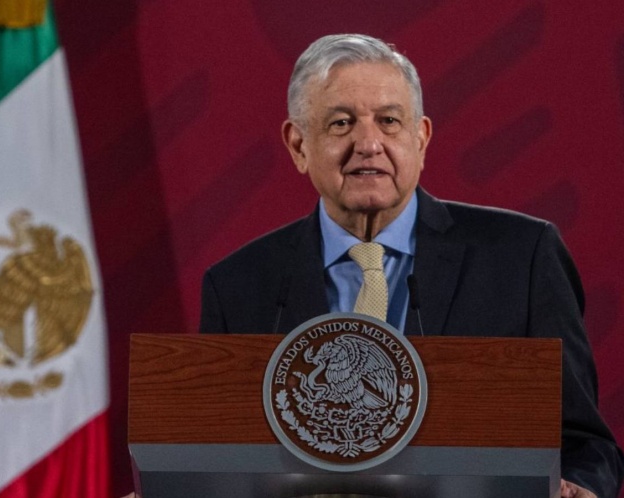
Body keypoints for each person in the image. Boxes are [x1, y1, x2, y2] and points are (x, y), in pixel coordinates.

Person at [199, 34, 623, 498]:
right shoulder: (237, 286)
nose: (369, 143)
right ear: (299, 145)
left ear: (420, 139)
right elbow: (216, 456)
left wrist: (582, 488)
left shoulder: (522, 257)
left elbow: (584, 444)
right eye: (341, 123)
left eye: (389, 121)